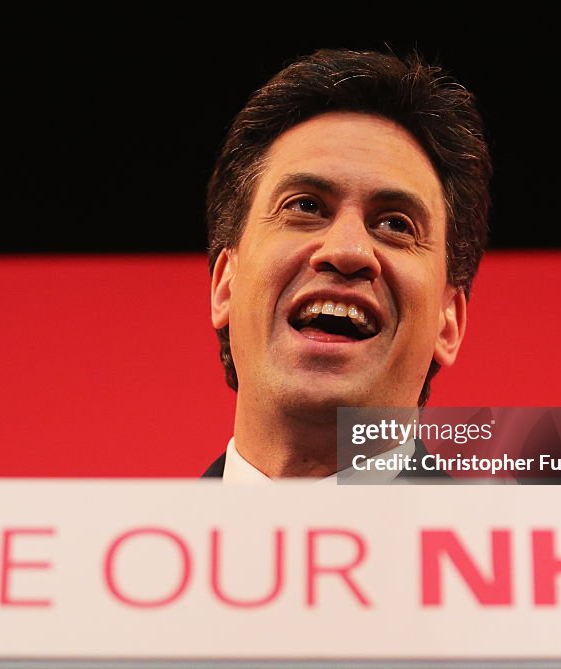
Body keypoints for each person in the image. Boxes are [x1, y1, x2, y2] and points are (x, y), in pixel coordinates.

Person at [201, 48, 492, 481]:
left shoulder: (514, 549)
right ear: (225, 285)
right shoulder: (107, 548)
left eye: (396, 224)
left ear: (447, 322)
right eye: (305, 206)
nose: (347, 251)